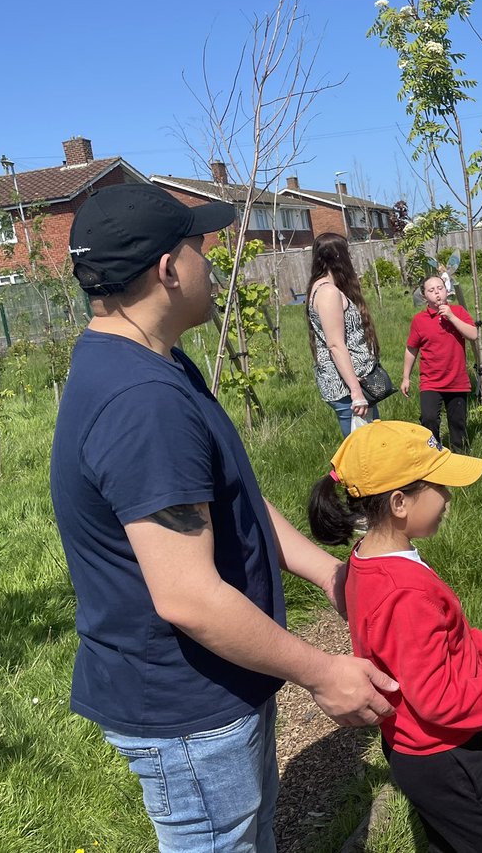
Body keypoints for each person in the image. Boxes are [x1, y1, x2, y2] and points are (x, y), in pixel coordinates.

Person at [50, 184, 396, 853]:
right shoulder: (142, 402)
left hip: (211, 686)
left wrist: (328, 573)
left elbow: (228, 494)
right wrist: (324, 674)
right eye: (199, 248)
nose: (210, 263)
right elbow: (188, 597)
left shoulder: (150, 360)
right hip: (186, 708)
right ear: (166, 270)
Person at [308, 420, 482, 853]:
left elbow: (441, 647)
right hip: (446, 755)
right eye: (439, 486)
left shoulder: (370, 563)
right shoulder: (404, 592)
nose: (448, 497)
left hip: (417, 748)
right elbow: (438, 699)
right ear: (398, 502)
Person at [307, 232, 384, 437]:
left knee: (371, 448)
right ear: (339, 257)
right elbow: (335, 345)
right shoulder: (327, 292)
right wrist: (356, 392)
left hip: (355, 383)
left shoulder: (326, 287)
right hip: (347, 389)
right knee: (362, 455)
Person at [402, 275, 478, 453]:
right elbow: (411, 349)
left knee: (457, 424)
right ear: (424, 296)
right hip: (431, 381)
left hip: (456, 380)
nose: (437, 293)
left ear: (446, 290)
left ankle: (460, 458)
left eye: (440, 288)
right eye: (431, 290)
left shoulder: (457, 312)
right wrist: (406, 377)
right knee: (429, 419)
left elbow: (473, 334)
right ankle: (433, 454)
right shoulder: (419, 321)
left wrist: (451, 317)